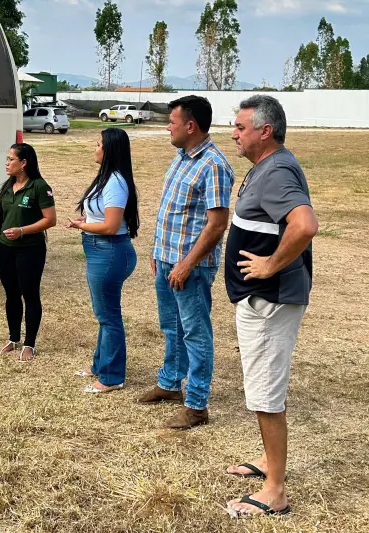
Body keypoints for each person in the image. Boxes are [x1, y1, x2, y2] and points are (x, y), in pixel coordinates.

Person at [224, 95, 318, 517]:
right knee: (261, 385)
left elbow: (305, 225)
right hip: (261, 299)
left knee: (266, 393)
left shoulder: (277, 170)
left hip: (271, 300)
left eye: (241, 127)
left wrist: (269, 265)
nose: (234, 134)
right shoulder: (267, 168)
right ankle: (268, 462)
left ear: (265, 131)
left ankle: (275, 491)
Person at [137, 95, 235, 430]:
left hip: (189, 267)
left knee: (195, 331)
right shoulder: (181, 158)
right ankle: (169, 384)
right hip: (167, 259)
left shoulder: (213, 165)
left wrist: (186, 264)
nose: (168, 127)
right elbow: (171, 211)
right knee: (171, 326)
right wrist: (158, 252)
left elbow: (217, 224)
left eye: (172, 122)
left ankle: (196, 405)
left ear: (190, 126)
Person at [66, 128, 139, 394]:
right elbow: (100, 218)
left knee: (108, 316)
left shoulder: (116, 182)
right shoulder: (105, 178)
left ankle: (111, 377)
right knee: (104, 313)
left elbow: (110, 226)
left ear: (109, 149)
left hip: (108, 252)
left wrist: (82, 227)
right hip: (100, 250)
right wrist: (86, 221)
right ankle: (100, 364)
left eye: (98, 144)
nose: (94, 148)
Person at [0, 144, 57, 362]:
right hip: (5, 249)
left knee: (30, 296)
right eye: (7, 158)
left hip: (30, 250)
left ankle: (29, 343)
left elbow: (50, 220)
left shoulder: (39, 187)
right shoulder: (7, 187)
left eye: (11, 159)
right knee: (11, 295)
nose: (7, 163)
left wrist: (22, 231)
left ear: (24, 163)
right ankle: (13, 339)